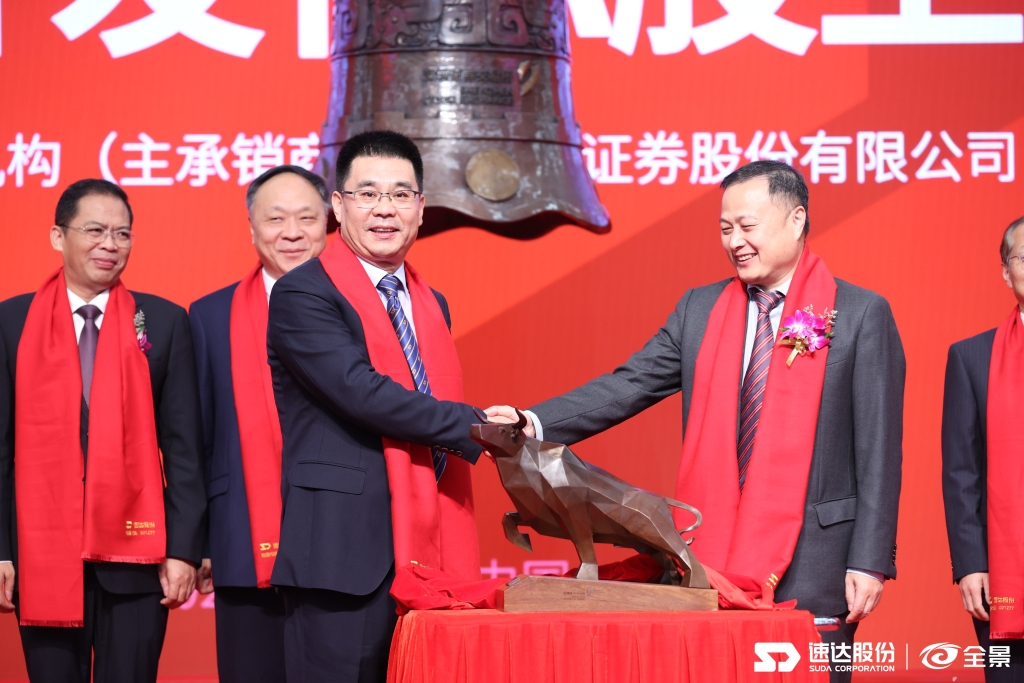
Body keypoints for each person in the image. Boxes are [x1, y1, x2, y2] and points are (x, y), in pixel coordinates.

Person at [488, 160, 904, 683]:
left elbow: (879, 450)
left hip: (818, 558)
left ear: (796, 219)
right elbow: (630, 384)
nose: (735, 242)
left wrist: (869, 560)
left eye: (747, 226)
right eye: (725, 229)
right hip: (711, 555)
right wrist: (534, 421)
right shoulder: (700, 310)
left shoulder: (860, 313)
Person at [267, 131, 485, 683]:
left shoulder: (430, 303)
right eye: (367, 194)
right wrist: (474, 425)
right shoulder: (303, 294)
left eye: (400, 195)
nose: (384, 209)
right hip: (342, 554)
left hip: (430, 547)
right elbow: (360, 391)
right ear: (339, 206)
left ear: (420, 209)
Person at [0, 179, 205, 683]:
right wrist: (0, 548)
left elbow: (184, 448)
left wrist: (183, 549)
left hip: (138, 560)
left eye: (122, 233)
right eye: (95, 231)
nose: (109, 245)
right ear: (58, 236)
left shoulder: (162, 320)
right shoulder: (12, 321)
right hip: (40, 554)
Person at [188, 165, 331, 683]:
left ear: (329, 223)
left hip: (342, 543)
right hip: (242, 538)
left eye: (306, 218)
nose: (292, 232)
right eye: (275, 219)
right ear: (251, 228)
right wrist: (200, 541)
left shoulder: (364, 306)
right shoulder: (209, 315)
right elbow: (197, 438)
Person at [942, 215, 1024, 680]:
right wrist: (970, 564)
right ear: (1006, 272)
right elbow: (962, 472)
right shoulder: (972, 357)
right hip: (1005, 577)